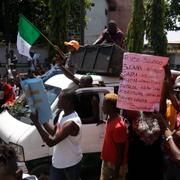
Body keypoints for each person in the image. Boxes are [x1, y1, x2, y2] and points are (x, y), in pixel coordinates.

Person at [30, 89, 82, 180]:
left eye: (60, 99)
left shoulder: (71, 123)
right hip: (58, 162)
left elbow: (51, 142)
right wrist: (40, 119)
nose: (58, 100)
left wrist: (36, 123)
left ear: (68, 102)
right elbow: (53, 132)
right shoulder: (62, 113)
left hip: (71, 164)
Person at [125, 110, 164, 180]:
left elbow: (164, 129)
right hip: (138, 159)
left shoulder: (158, 115)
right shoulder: (135, 114)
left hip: (155, 159)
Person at [100, 93, 128, 180]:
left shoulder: (119, 127)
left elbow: (120, 152)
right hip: (107, 161)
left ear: (110, 106)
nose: (102, 107)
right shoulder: (110, 119)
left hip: (114, 165)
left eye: (104, 104)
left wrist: (116, 172)